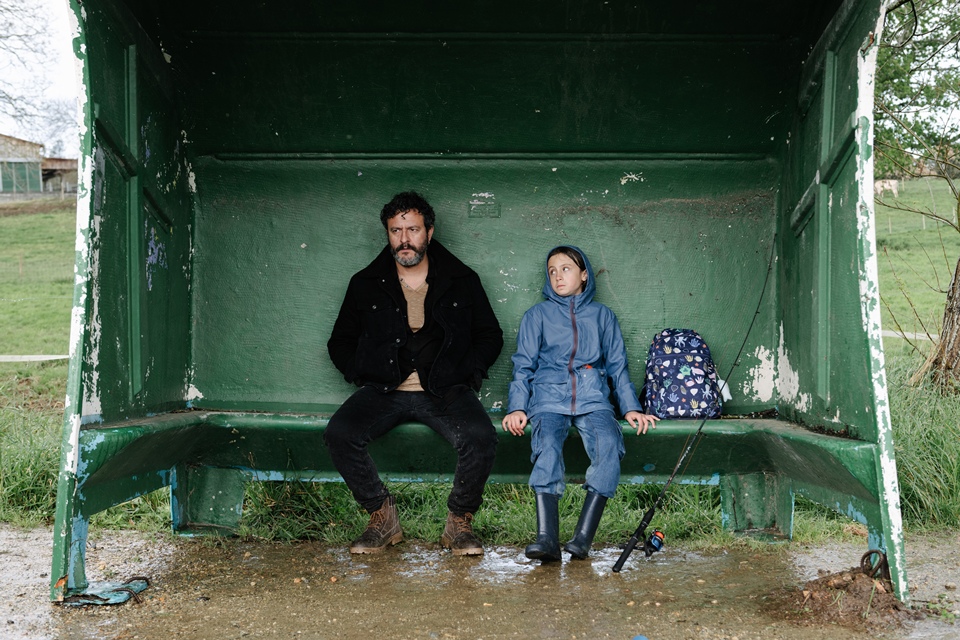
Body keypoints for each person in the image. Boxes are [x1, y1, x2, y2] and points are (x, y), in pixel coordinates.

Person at [326, 191, 503, 556]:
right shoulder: (365, 283)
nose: (404, 239)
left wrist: (468, 372)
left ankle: (459, 522)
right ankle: (381, 515)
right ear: (388, 234)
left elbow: (490, 335)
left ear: (429, 232)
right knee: (340, 433)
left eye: (413, 230)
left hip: (445, 390)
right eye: (396, 231)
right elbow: (339, 342)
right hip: (385, 389)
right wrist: (363, 372)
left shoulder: (462, 279)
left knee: (481, 437)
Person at [502, 245, 658, 562]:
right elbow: (523, 367)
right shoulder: (537, 316)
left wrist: (630, 407)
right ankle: (546, 539)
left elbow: (617, 366)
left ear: (584, 274)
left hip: (593, 398)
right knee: (547, 444)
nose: (558, 276)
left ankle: (582, 539)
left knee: (609, 444)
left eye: (566, 269)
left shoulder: (603, 316)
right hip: (548, 399)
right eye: (552, 271)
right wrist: (517, 407)